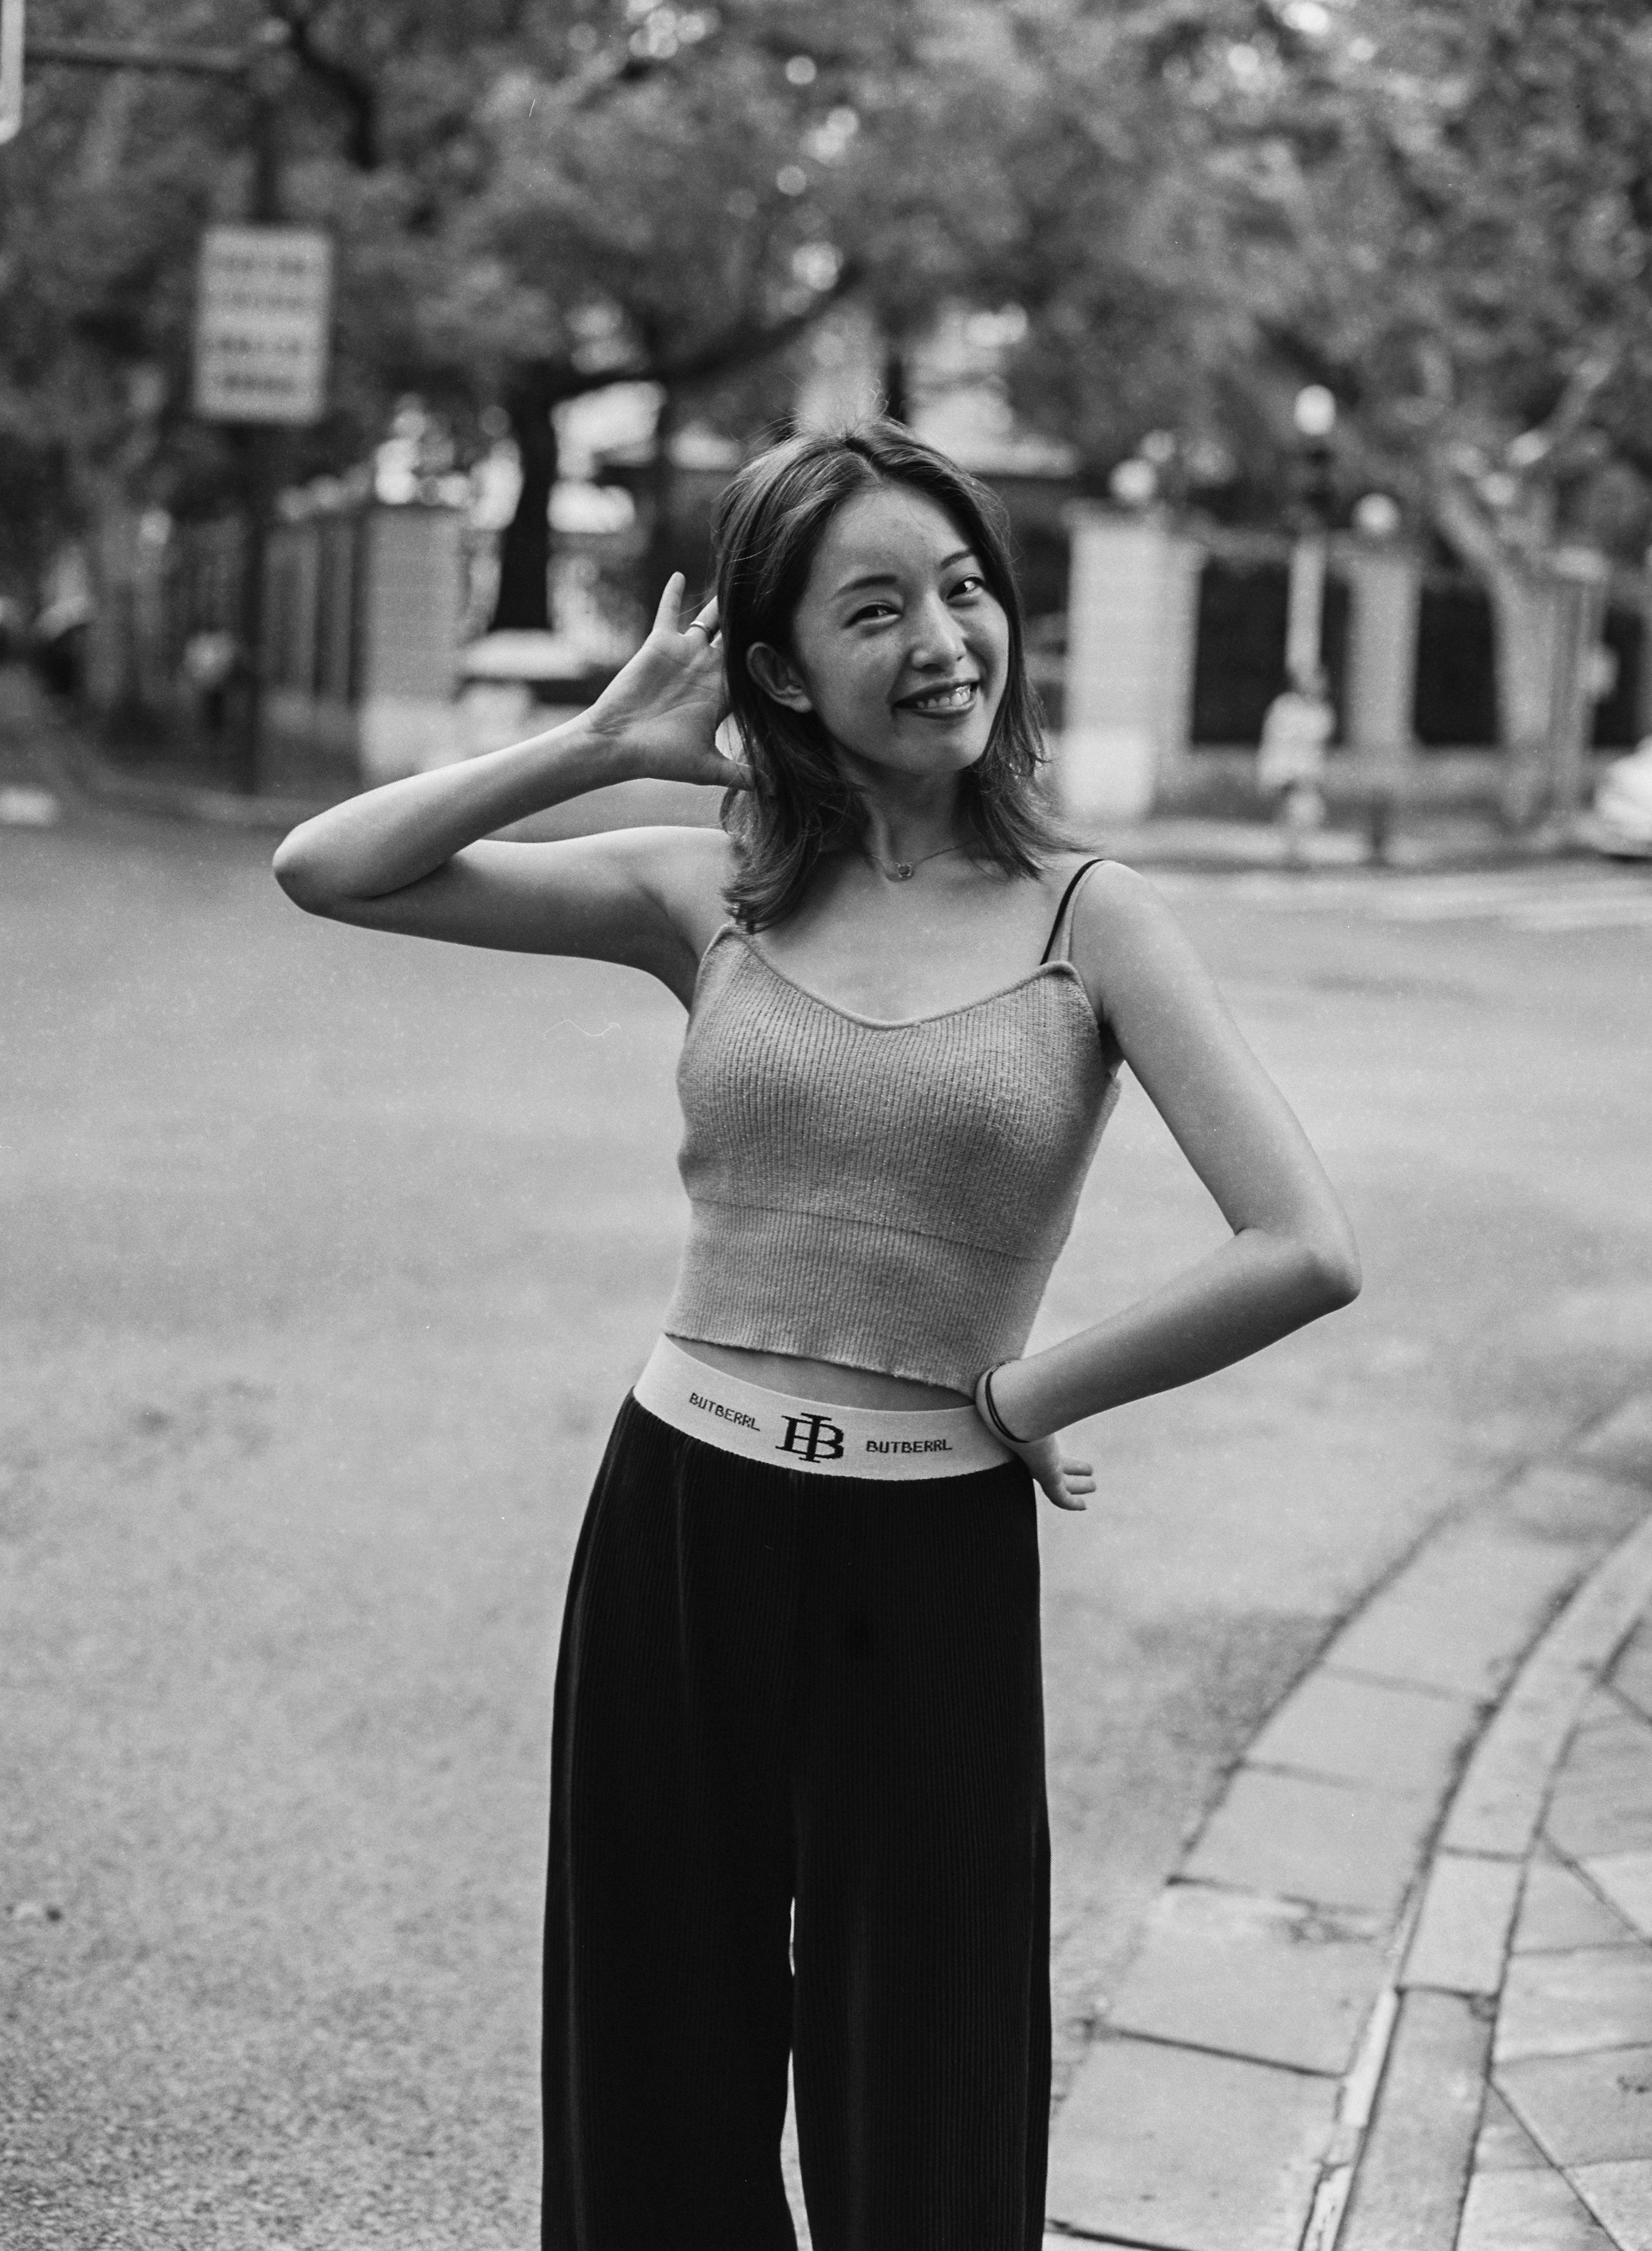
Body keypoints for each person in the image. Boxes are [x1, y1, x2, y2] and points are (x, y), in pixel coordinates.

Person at [271, 421, 1360, 2251]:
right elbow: (329, 864)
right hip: (678, 1522)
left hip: (925, 1547)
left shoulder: (1096, 919)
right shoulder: (713, 886)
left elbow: (1304, 1243)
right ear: (779, 667)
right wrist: (602, 743)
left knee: (923, 2094)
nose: (944, 637)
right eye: (876, 607)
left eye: (962, 588)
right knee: (653, 2074)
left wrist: (1025, 1389)